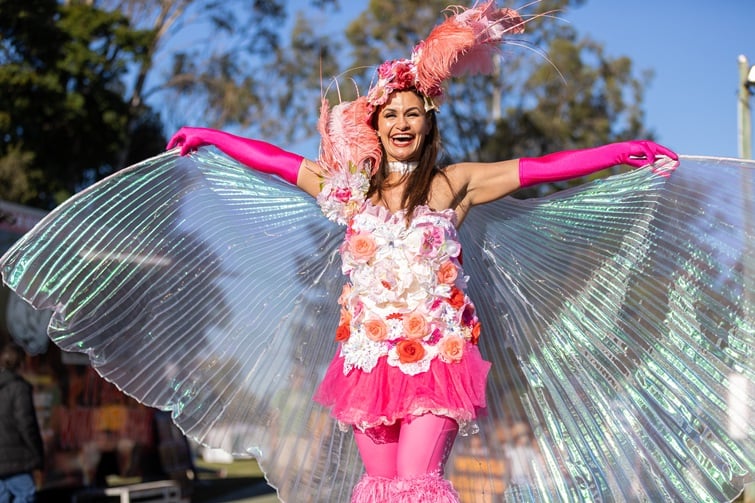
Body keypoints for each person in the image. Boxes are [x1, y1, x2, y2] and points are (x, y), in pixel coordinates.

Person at [165, 5, 678, 500]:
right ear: (378, 126)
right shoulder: (351, 191)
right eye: (391, 115)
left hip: (436, 358)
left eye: (413, 113)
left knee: (416, 484)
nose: (402, 123)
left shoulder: (454, 185)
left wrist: (616, 154)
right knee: (380, 489)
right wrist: (209, 136)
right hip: (368, 363)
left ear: (428, 124)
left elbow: (539, 167)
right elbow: (277, 162)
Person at [0, 342, 45, 503]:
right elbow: (27, 425)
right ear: (21, 363)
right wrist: (38, 456)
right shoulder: (19, 388)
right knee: (26, 494)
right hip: (17, 460)